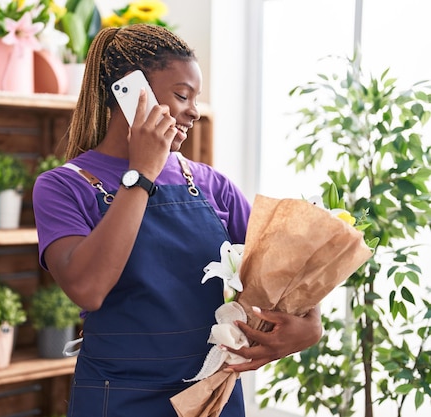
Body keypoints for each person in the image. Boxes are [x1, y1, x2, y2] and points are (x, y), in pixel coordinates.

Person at [32, 24, 323, 417]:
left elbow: (286, 270)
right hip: (117, 397)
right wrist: (142, 173)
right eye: (182, 95)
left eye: (195, 98)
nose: (194, 110)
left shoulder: (209, 184)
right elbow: (88, 288)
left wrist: (311, 325)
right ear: (131, 93)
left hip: (211, 396)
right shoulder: (63, 186)